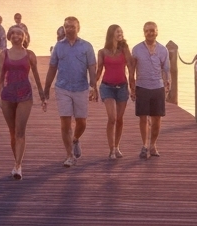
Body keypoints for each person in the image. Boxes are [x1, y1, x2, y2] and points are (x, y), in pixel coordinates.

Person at [0, 24, 46, 179]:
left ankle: (18, 166)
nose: (16, 36)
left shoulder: (30, 55)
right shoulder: (4, 54)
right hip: (7, 96)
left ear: (25, 37)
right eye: (13, 33)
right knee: (13, 133)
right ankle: (17, 161)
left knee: (20, 131)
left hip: (25, 95)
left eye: (19, 34)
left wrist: (42, 97)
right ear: (9, 36)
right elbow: (1, 78)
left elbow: (36, 76)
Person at [44, 16, 97, 168]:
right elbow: (52, 68)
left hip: (81, 88)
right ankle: (69, 155)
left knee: (82, 122)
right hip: (62, 88)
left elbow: (92, 67)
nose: (69, 29)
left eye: (72, 26)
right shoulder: (59, 46)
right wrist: (46, 88)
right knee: (65, 122)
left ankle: (75, 139)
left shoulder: (87, 46)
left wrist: (94, 86)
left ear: (78, 28)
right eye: (66, 26)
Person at [129, 21, 171, 159]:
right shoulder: (136, 49)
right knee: (142, 118)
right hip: (142, 86)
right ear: (143, 32)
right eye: (147, 31)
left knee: (157, 119)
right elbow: (132, 70)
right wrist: (132, 86)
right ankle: (144, 145)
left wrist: (168, 81)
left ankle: (153, 145)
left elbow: (166, 68)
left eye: (152, 30)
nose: (150, 33)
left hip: (158, 87)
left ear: (157, 32)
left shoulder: (163, 50)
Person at [95, 25, 133, 160]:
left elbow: (130, 66)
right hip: (107, 87)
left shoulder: (124, 49)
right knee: (112, 118)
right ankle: (111, 149)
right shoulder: (102, 52)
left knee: (119, 119)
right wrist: (93, 87)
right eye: (118, 31)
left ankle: (117, 147)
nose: (121, 33)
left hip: (122, 86)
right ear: (111, 33)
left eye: (122, 31)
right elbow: (99, 71)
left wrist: (133, 86)